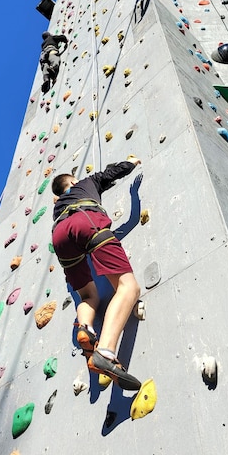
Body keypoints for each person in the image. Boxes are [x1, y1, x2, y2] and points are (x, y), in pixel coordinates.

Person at [51, 158, 142, 391]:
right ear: (72, 181)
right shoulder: (86, 182)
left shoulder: (58, 207)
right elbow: (110, 173)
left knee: (87, 296)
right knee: (128, 287)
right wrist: (131, 163)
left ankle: (86, 328)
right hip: (85, 219)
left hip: (59, 237)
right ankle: (106, 351)